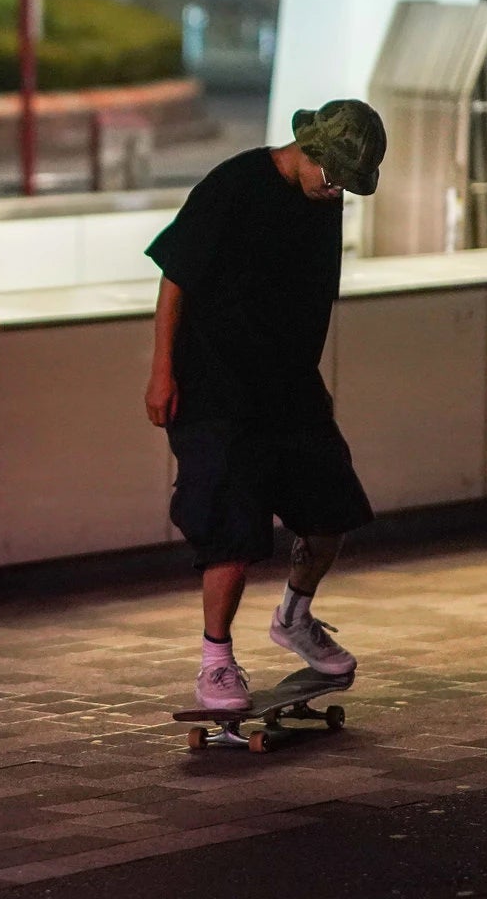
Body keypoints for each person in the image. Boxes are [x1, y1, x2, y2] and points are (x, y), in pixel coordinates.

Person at [143, 100, 386, 712]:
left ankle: (294, 619)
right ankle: (215, 662)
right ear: (308, 151)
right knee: (232, 529)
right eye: (331, 177)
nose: (335, 194)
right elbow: (176, 278)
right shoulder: (235, 185)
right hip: (216, 388)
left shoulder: (322, 197)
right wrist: (162, 371)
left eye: (346, 187)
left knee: (331, 513)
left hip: (290, 388)